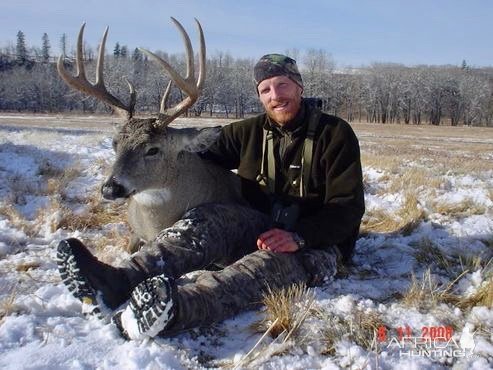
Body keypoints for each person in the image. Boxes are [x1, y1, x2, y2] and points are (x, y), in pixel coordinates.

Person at [57, 53, 365, 340]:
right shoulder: (248, 132)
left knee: (258, 270)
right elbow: (196, 146)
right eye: (266, 89)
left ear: (299, 87)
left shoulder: (334, 134)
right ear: (259, 96)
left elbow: (348, 208)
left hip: (319, 246)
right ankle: (120, 281)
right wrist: (151, 137)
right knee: (207, 217)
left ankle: (175, 311)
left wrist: (299, 237)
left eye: (283, 85)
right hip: (260, 227)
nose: (276, 95)